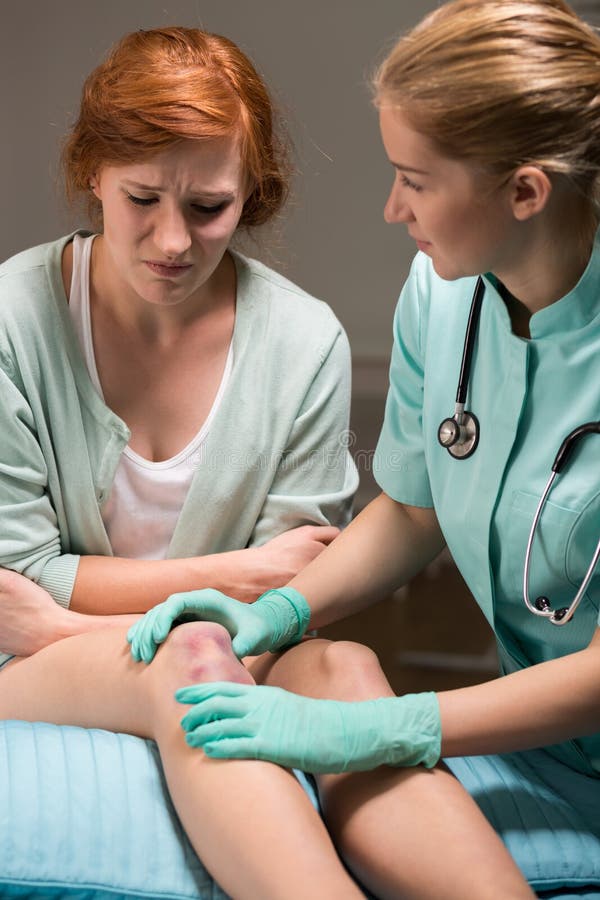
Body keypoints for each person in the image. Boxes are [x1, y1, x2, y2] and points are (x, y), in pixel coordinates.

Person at [126, 2, 600, 898]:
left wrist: (396, 729)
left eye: (414, 180)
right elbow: (417, 506)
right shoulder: (444, 292)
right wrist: (279, 612)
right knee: (339, 701)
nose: (391, 209)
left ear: (526, 191)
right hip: (537, 746)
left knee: (355, 734)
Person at [0, 25, 380, 900]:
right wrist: (237, 572)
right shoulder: (17, 319)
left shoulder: (303, 339)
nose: (173, 241)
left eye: (208, 207)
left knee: (349, 670)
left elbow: (295, 600)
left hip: (222, 646)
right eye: (142, 199)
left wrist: (69, 611)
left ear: (251, 194)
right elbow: (16, 579)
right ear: (91, 174)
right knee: (195, 653)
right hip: (34, 662)